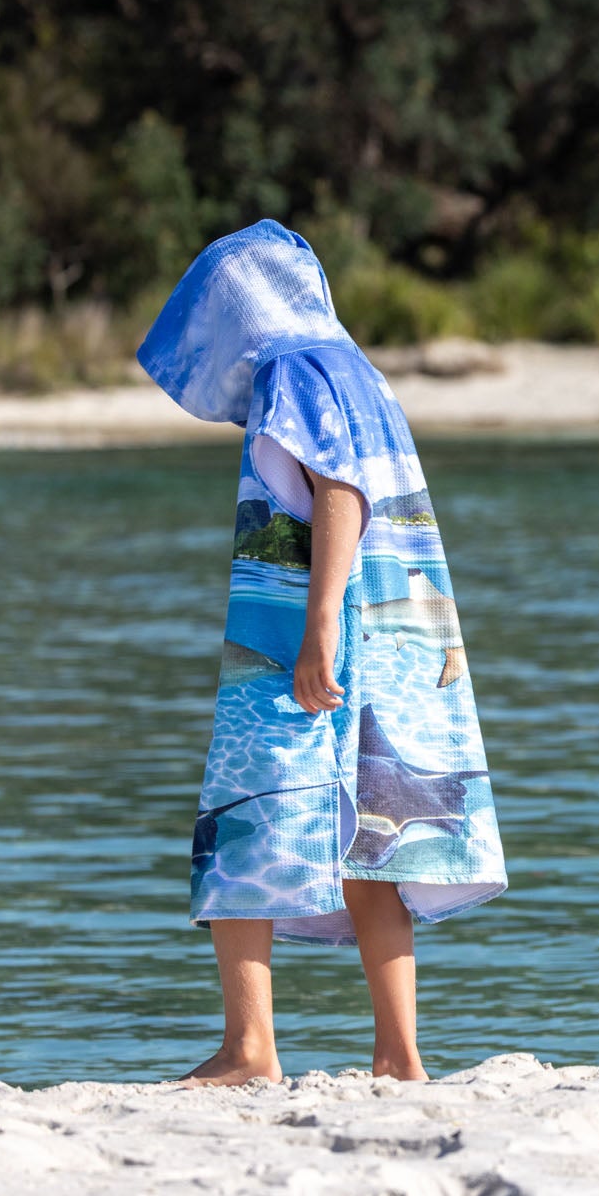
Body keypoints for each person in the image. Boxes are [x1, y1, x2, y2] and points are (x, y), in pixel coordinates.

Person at [139, 221, 506, 1085]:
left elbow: (339, 492)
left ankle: (249, 1047)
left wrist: (318, 628)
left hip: (306, 636)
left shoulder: (292, 371)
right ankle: (399, 1054)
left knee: (242, 821)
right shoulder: (360, 372)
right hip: (396, 641)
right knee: (368, 836)